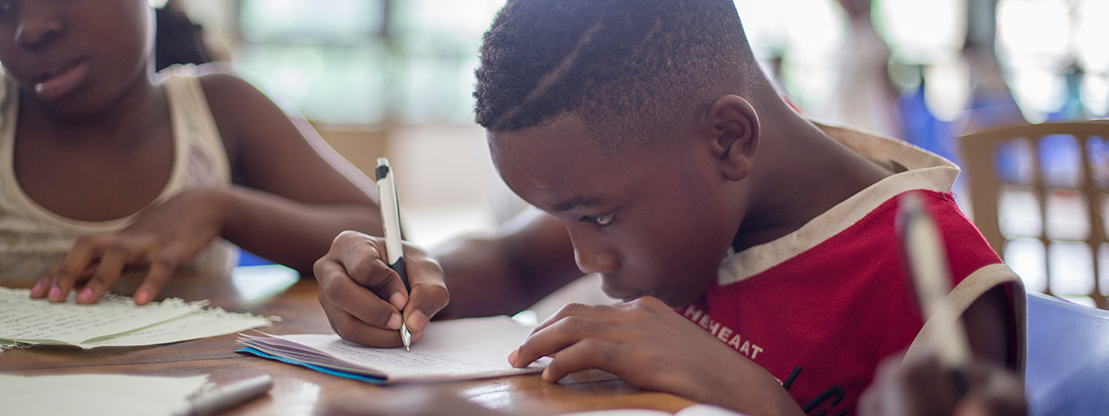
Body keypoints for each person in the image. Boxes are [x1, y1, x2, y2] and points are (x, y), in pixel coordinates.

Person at [313, 1, 1025, 414]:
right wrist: (401, 277)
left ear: (727, 139)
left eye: (594, 217)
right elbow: (502, 260)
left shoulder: (938, 286)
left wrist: (756, 399)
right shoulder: (690, 179)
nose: (582, 260)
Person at [0, 0, 382, 305]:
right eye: (3, 7)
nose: (28, 29)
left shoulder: (220, 109)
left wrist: (221, 208)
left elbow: (385, 238)